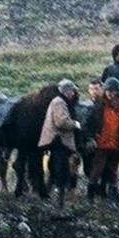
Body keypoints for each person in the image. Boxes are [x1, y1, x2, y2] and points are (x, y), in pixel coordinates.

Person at [38, 79, 83, 207]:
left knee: (55, 167)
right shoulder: (59, 102)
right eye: (72, 90)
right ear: (66, 91)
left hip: (57, 141)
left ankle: (51, 195)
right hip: (59, 141)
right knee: (60, 168)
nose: (73, 93)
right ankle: (58, 200)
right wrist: (75, 124)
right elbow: (61, 122)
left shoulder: (59, 101)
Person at [87, 80, 119, 203]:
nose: (109, 93)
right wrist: (90, 138)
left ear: (117, 92)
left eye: (112, 91)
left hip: (115, 143)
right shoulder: (98, 105)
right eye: (108, 90)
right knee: (97, 170)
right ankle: (90, 196)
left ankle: (111, 198)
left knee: (113, 172)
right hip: (101, 143)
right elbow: (89, 124)